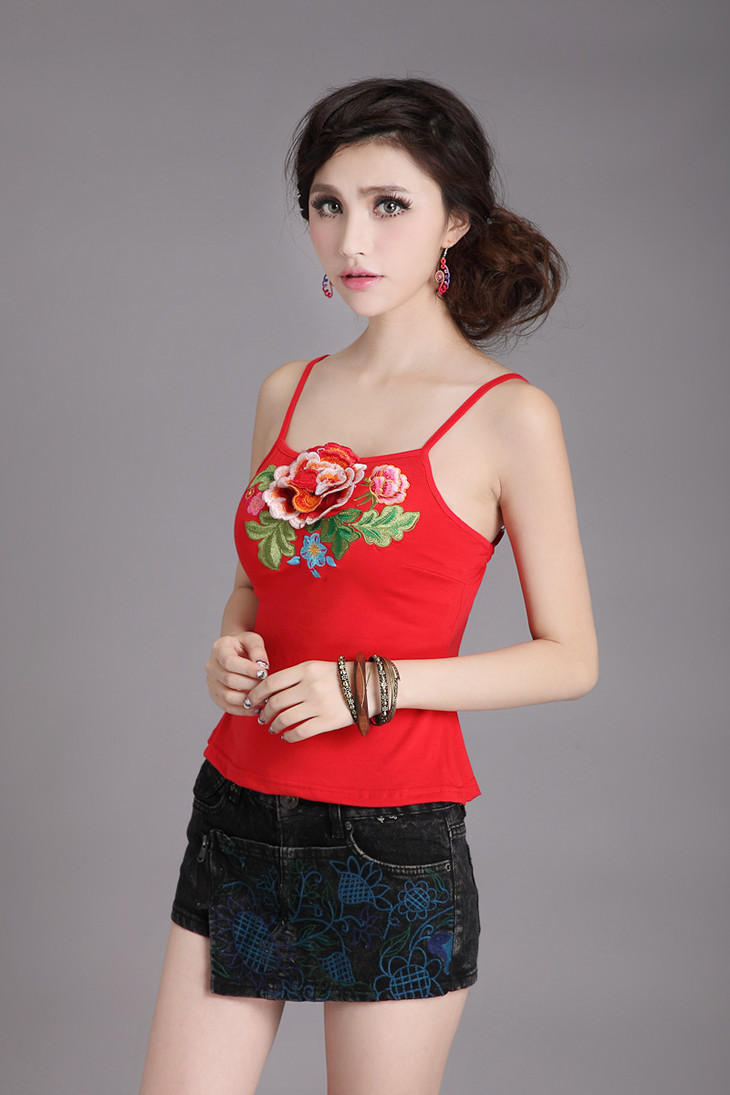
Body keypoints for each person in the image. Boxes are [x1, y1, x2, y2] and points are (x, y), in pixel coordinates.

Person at [139, 77, 598, 1095]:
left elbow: (571, 659)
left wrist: (369, 684)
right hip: (240, 808)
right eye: (328, 205)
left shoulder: (509, 417)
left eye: (389, 204)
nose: (354, 239)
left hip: (391, 837)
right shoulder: (287, 390)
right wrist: (230, 647)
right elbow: (256, 585)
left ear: (455, 221)